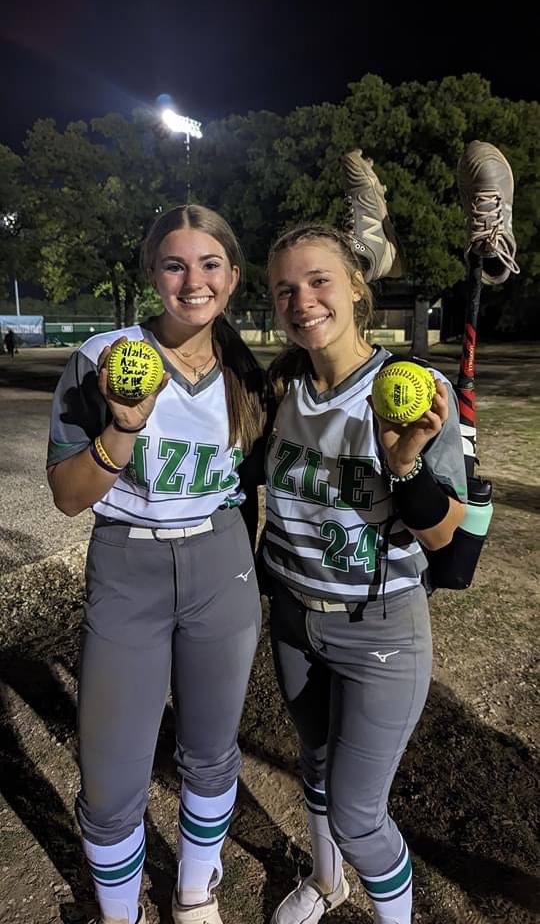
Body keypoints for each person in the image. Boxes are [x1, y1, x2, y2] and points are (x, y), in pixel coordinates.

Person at [261, 140, 516, 924]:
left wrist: (406, 468)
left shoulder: (412, 390)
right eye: (285, 290)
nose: (302, 302)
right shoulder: (279, 385)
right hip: (295, 617)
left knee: (360, 815)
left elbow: (457, 555)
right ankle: (328, 883)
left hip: (380, 631)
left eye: (321, 281)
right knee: (314, 766)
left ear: (357, 289)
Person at [47, 204, 266, 924]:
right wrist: (122, 427)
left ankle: (195, 888)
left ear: (232, 277)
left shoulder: (249, 373)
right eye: (175, 263)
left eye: (210, 264)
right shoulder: (102, 355)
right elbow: (68, 499)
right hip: (127, 567)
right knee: (111, 781)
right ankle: (120, 912)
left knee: (209, 750)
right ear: (152, 273)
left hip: (221, 562)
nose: (192, 280)